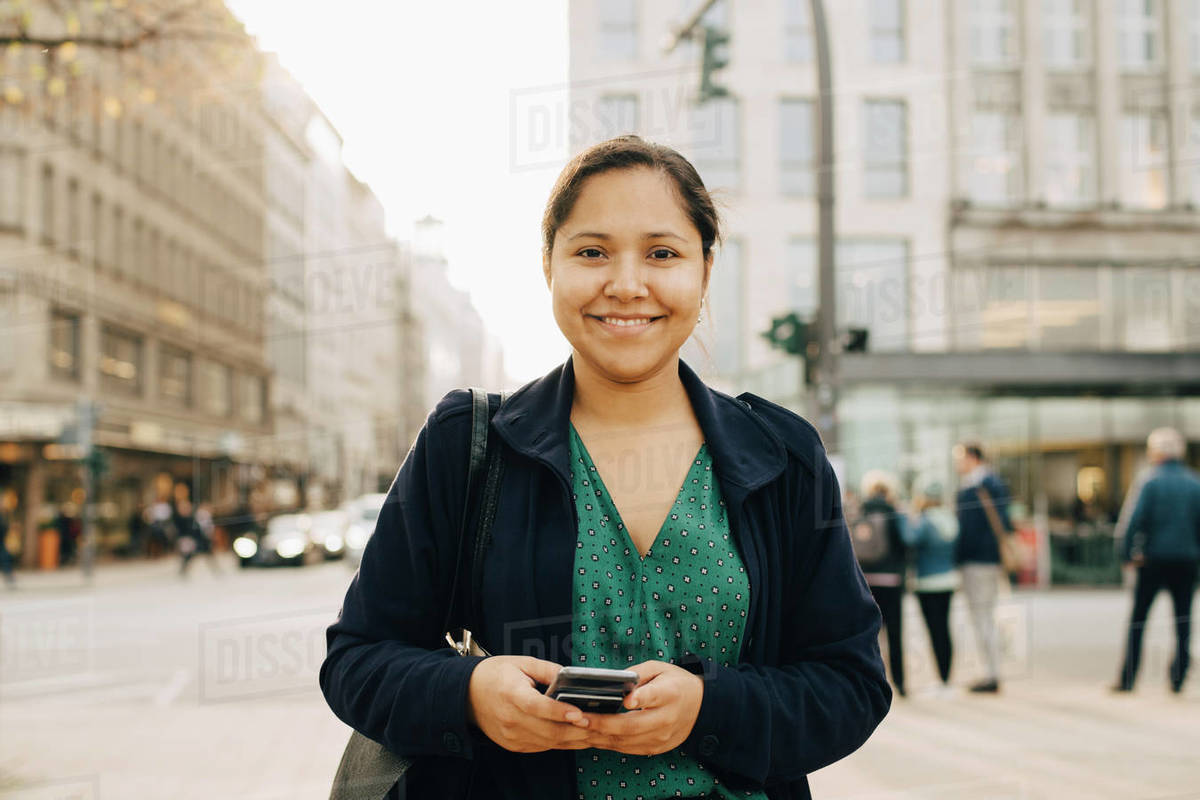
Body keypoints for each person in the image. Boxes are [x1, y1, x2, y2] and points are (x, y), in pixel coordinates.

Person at [320, 135, 891, 800]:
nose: (626, 284)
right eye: (592, 252)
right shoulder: (468, 445)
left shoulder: (782, 454)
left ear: (705, 269)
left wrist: (710, 709)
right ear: (549, 266)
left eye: (662, 253)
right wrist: (470, 696)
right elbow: (358, 658)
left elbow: (850, 684)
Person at [1113, 427, 1200, 694]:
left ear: (1156, 453)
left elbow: (1133, 521)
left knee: (1139, 619)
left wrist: (1126, 553)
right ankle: (1178, 676)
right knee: (1183, 619)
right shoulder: (1194, 483)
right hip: (1186, 560)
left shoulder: (1149, 481)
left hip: (1153, 560)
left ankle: (1128, 679)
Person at [953, 441, 1013, 694]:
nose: (957, 465)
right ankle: (992, 668)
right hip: (991, 559)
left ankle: (991, 673)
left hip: (976, 560)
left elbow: (969, 530)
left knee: (981, 616)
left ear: (972, 458)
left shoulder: (974, 488)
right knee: (986, 614)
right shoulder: (995, 483)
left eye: (959, 458)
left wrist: (957, 558)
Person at [854, 470, 909, 697]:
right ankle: (901, 683)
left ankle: (870, 684)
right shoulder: (893, 513)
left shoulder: (860, 514)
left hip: (866, 582)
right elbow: (904, 543)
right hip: (891, 580)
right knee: (895, 633)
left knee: (870, 635)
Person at [902, 477, 960, 693]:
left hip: (927, 582)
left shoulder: (925, 521)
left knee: (934, 630)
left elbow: (909, 538)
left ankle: (942, 680)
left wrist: (906, 516)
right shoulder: (951, 519)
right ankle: (947, 678)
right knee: (944, 629)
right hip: (948, 580)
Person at [0, 488, 17, 588]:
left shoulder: (3, 514)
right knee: (5, 556)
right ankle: (9, 576)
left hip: (1, 540)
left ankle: (9, 576)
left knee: (5, 557)